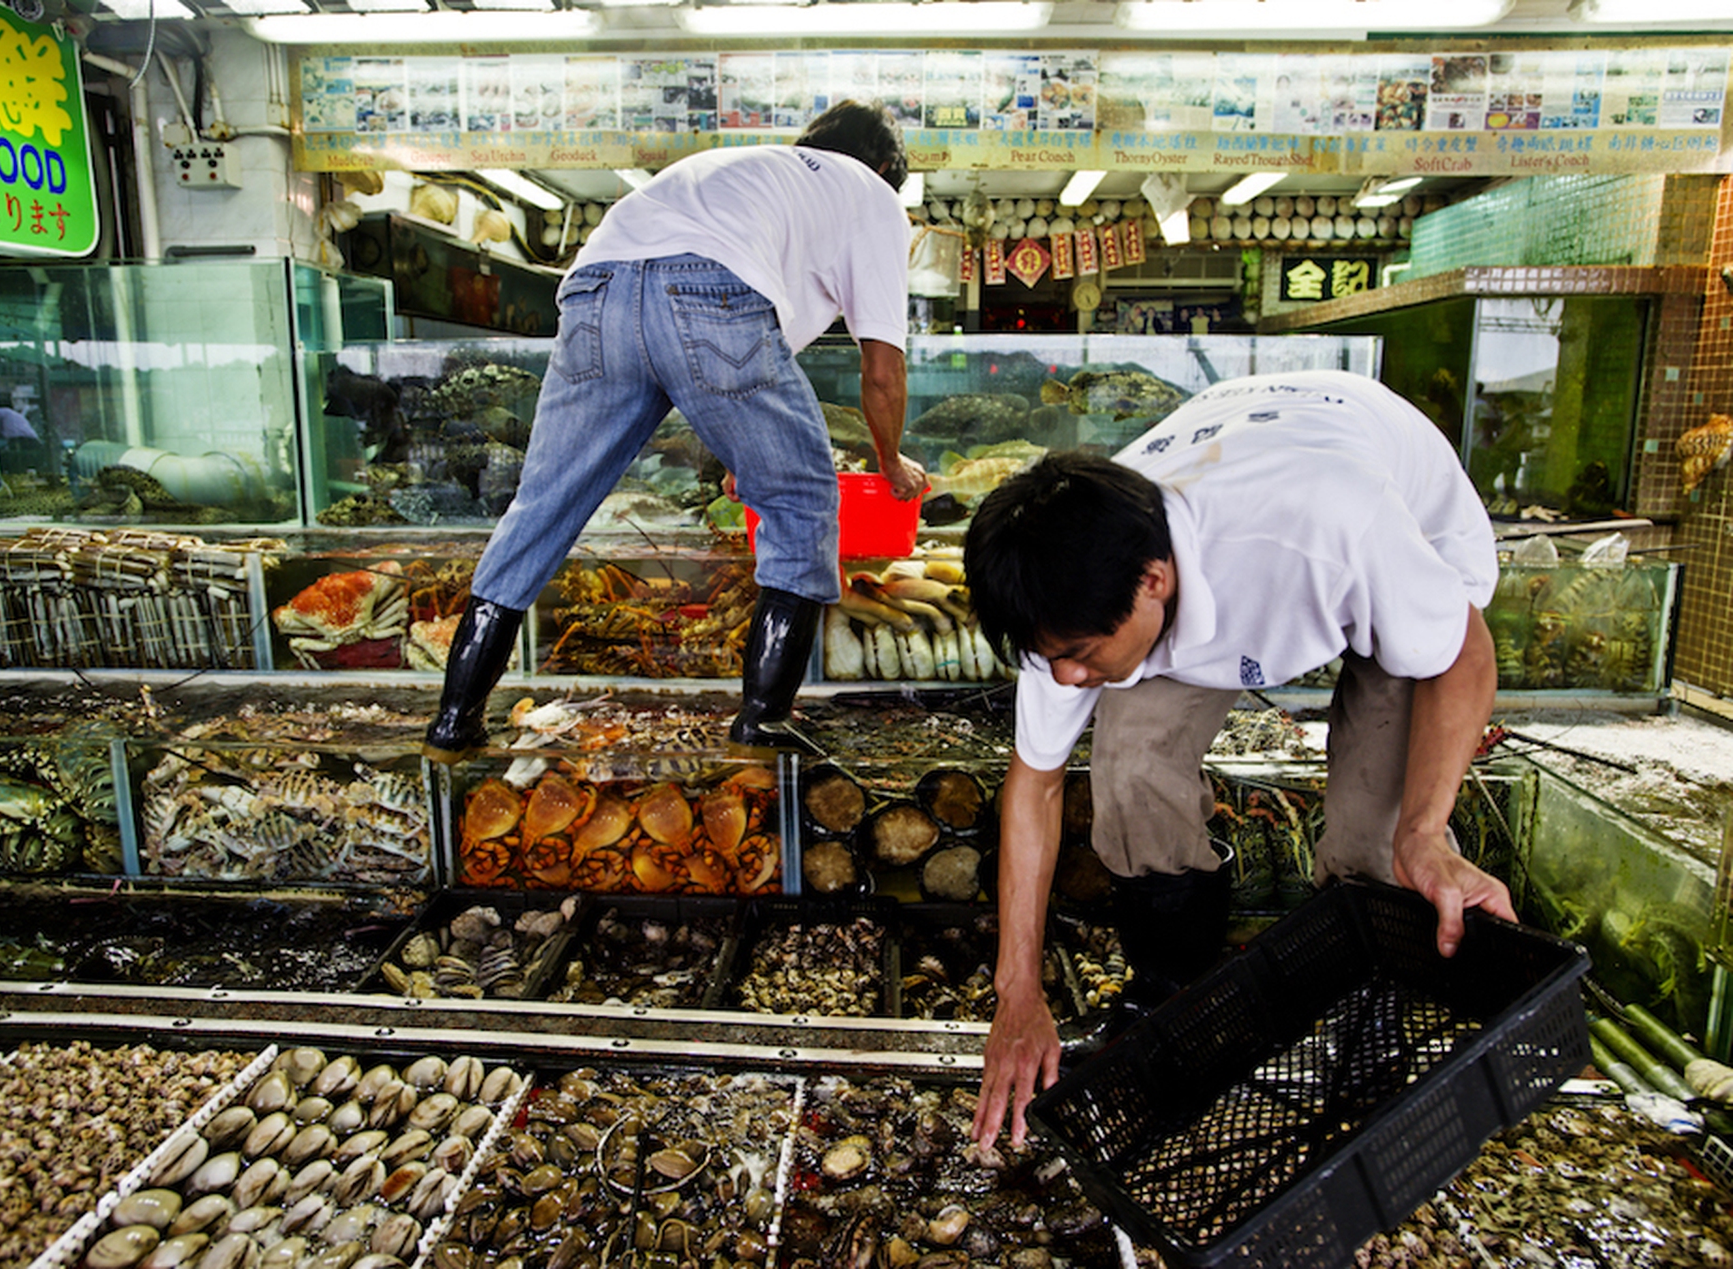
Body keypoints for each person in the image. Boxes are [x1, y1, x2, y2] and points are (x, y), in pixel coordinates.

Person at [962, 369, 1517, 1150]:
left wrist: (1425, 829)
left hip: (1390, 545)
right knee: (1128, 770)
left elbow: (1464, 653)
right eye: (1051, 660)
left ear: (1153, 582)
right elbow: (1037, 783)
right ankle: (1171, 996)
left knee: (1376, 838)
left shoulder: (1330, 524)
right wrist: (1016, 990)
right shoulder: (1062, 589)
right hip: (1231, 504)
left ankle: (1367, 1022)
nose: (1067, 680)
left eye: (1081, 657)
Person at [422, 99, 928, 761]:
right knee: (804, 501)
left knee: (540, 505)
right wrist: (892, 466)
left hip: (593, 288)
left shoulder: (749, 170)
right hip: (710, 286)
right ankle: (764, 724)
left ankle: (454, 722)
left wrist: (742, 447)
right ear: (885, 166)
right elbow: (883, 367)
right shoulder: (872, 195)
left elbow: (708, 355)